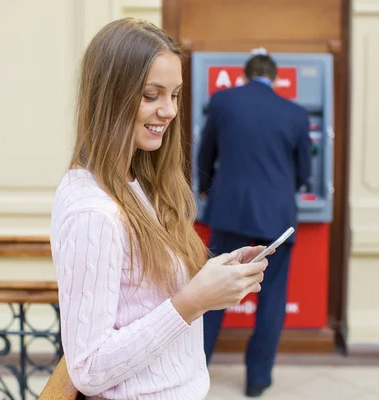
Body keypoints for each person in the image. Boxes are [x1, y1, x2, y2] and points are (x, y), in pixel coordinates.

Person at [50, 18, 272, 399]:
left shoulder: (137, 182)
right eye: (151, 95)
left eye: (174, 95)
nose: (168, 111)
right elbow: (87, 368)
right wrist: (192, 301)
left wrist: (211, 278)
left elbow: (141, 300)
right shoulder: (95, 212)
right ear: (110, 96)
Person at [198, 53, 312, 397]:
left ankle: (195, 367)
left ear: (244, 76)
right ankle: (258, 379)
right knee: (272, 298)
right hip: (276, 216)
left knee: (213, 290)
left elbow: (205, 155)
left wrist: (207, 190)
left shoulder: (222, 102)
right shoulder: (296, 113)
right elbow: (304, 172)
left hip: (229, 210)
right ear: (274, 79)